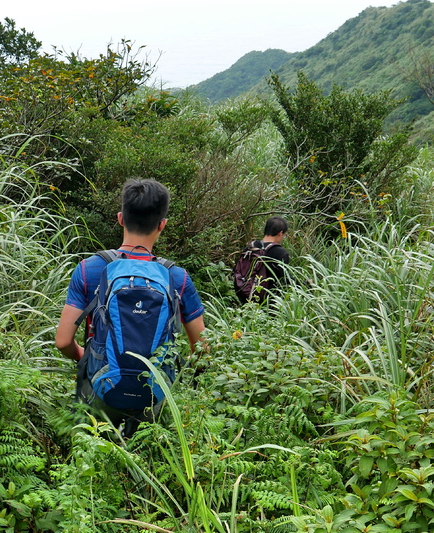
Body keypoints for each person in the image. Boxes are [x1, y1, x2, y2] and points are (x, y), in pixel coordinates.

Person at [54, 179, 205, 437]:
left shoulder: (90, 268)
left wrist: (87, 358)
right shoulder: (177, 277)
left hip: (100, 386)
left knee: (93, 457)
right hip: (153, 392)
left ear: (120, 218)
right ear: (162, 225)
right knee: (144, 458)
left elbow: (63, 341)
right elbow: (201, 349)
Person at [233, 216, 291, 302]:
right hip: (268, 302)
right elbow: (287, 281)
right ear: (280, 233)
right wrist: (306, 283)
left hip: (244, 295)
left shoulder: (251, 247)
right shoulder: (280, 252)